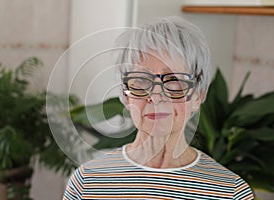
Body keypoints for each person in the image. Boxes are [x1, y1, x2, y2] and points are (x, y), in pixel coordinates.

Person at [63, 16, 254, 199]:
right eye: (141, 81)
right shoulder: (87, 183)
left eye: (174, 82)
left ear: (199, 95)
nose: (156, 97)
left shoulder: (230, 192)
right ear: (125, 96)